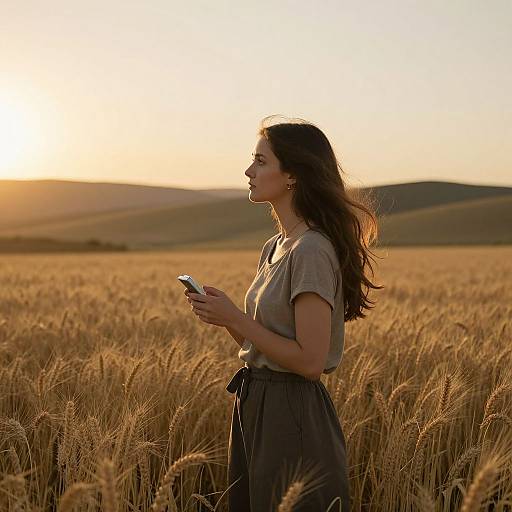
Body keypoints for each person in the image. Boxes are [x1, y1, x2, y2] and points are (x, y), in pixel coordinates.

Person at [186, 115, 383, 511]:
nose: (248, 171)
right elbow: (263, 344)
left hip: (290, 412)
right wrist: (225, 318)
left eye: (260, 161)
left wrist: (237, 318)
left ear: (292, 175)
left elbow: (309, 362)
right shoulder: (275, 246)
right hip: (254, 400)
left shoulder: (310, 249)